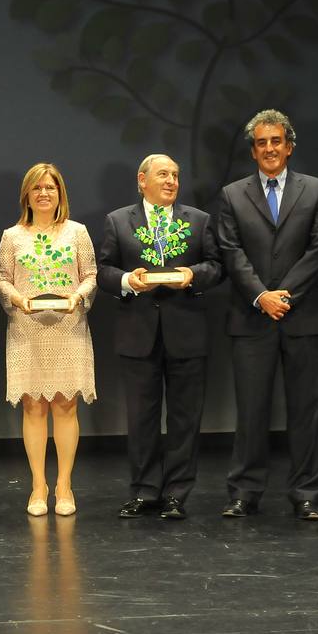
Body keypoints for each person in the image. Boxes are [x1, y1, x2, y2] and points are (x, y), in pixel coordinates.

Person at [216, 109, 318, 521]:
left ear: (289, 146)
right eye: (262, 143)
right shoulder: (232, 194)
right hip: (252, 317)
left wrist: (286, 295)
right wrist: (261, 296)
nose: (270, 149)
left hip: (305, 317)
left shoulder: (317, 191)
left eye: (276, 141)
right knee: (251, 411)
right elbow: (230, 251)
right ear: (253, 150)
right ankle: (245, 492)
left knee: (307, 411)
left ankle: (308, 494)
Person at [97, 154, 222, 521]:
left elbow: (217, 267)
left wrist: (192, 274)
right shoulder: (119, 221)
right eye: (163, 174)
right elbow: (103, 269)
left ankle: (176, 495)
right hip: (139, 333)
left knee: (185, 418)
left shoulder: (198, 221)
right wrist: (126, 280)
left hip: (187, 332)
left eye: (175, 175)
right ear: (142, 180)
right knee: (141, 418)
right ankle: (144, 491)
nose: (170, 181)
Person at [0, 163, 96, 516]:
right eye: (37, 188)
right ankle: (38, 485)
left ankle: (64, 484)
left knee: (66, 406)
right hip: (27, 329)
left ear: (60, 193)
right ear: (27, 194)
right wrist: (17, 299)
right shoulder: (12, 236)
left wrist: (77, 298)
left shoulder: (77, 232)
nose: (43, 193)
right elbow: (2, 278)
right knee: (34, 406)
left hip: (68, 329)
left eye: (50, 187)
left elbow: (91, 275)